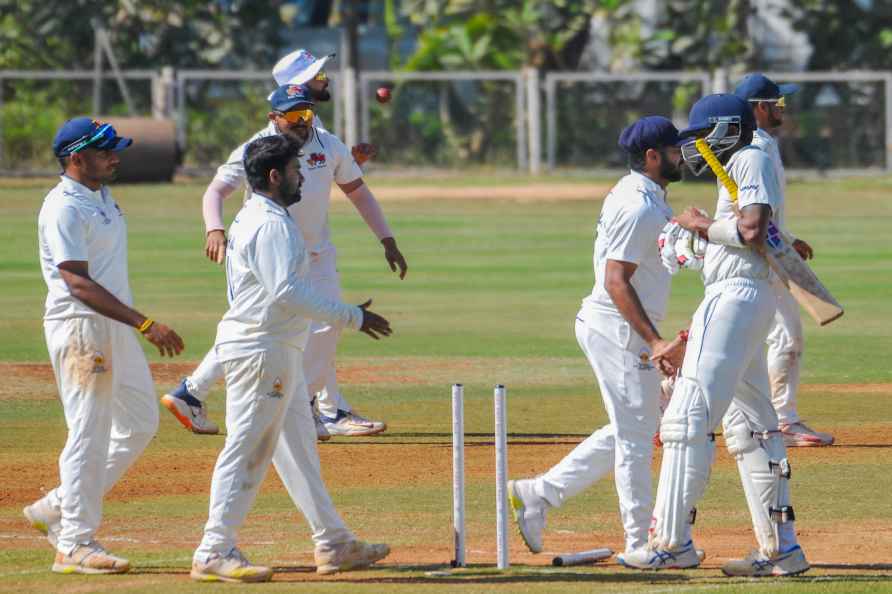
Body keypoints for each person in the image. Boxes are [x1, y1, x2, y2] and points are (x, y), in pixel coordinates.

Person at [162, 55, 407, 438]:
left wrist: (387, 239)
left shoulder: (324, 139)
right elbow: (216, 190)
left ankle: (302, 407)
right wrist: (214, 229)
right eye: (293, 117)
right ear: (274, 117)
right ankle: (198, 393)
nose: (302, 123)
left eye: (306, 116)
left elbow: (354, 188)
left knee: (323, 327)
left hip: (315, 253)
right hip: (265, 253)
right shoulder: (259, 148)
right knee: (254, 329)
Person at [618, 95, 811, 577]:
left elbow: (750, 229)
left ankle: (671, 543)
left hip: (734, 299)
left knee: (686, 418)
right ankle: (781, 549)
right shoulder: (754, 160)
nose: (696, 149)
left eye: (702, 137)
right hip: (748, 297)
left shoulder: (748, 156)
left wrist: (701, 226)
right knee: (754, 430)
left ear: (725, 129)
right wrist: (705, 241)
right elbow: (758, 231)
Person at [191, 135, 393, 583]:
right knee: (245, 449)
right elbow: (287, 292)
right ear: (275, 176)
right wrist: (352, 316)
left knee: (300, 452)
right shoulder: (271, 224)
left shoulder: (263, 217)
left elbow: (285, 290)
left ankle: (333, 542)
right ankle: (213, 548)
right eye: (297, 171)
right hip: (262, 352)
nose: (304, 178)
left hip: (280, 351)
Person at [507, 117, 685, 556]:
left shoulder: (645, 196)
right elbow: (615, 280)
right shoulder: (638, 206)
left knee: (636, 427)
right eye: (674, 148)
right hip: (616, 330)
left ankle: (539, 493)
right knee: (636, 438)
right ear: (652, 156)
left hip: (623, 328)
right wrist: (654, 341)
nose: (683, 155)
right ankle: (640, 543)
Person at [24, 117, 185, 574]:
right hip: (82, 329)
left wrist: (132, 323)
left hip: (112, 325)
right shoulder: (63, 207)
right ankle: (73, 543)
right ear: (76, 158)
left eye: (115, 149)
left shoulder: (101, 196)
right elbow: (75, 280)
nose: (115, 157)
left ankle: (57, 505)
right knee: (88, 431)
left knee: (138, 421)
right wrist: (145, 322)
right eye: (105, 151)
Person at [734, 73, 833, 447]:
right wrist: (784, 245)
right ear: (759, 107)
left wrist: (789, 239)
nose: (782, 110)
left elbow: (764, 210)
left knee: (749, 337)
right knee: (785, 338)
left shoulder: (757, 144)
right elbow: (755, 212)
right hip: (763, 252)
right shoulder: (757, 149)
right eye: (777, 103)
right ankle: (783, 421)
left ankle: (670, 391)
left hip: (770, 246)